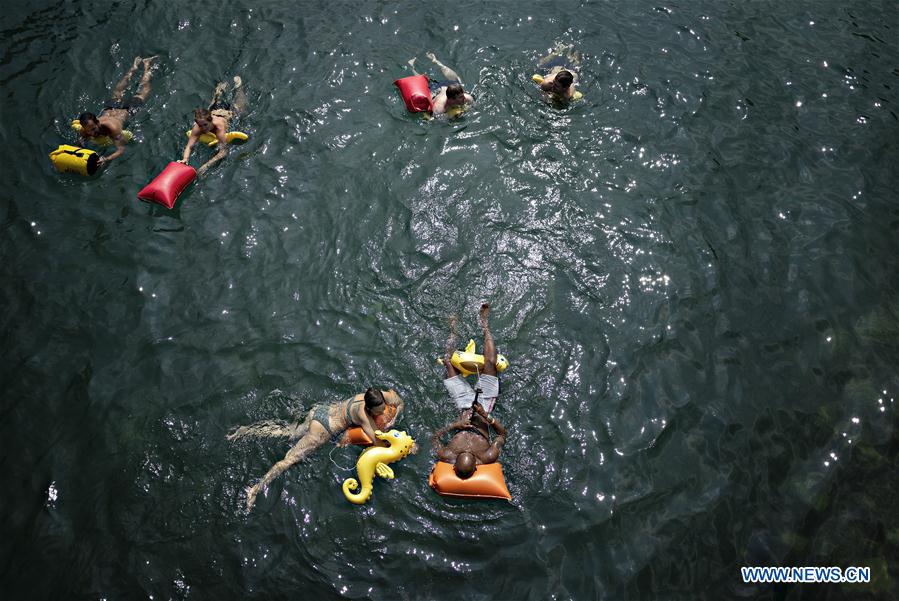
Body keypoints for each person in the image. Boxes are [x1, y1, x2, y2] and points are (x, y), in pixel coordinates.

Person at [228, 388, 403, 511]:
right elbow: (378, 442)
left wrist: (394, 414)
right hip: (323, 430)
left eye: (383, 409)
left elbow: (398, 400)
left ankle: (247, 431)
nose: (381, 413)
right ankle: (255, 489)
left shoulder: (377, 396)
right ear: (369, 408)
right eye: (378, 412)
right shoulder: (364, 415)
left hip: (321, 411)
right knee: (289, 460)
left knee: (288, 432)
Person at [76, 55, 157, 166]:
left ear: (98, 122)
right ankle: (133, 68)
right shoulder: (84, 130)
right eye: (89, 130)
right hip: (110, 108)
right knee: (118, 90)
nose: (92, 133)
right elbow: (80, 141)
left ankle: (147, 65)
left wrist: (106, 159)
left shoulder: (112, 129)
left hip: (128, 110)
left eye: (94, 129)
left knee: (144, 90)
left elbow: (120, 149)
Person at [180, 76, 246, 177]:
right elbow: (189, 146)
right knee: (213, 102)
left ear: (211, 121)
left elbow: (223, 152)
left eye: (205, 125)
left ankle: (238, 86)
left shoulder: (219, 127)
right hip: (214, 111)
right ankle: (220, 87)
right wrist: (185, 159)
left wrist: (206, 166)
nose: (203, 129)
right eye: (200, 125)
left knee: (241, 108)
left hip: (228, 114)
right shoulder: (199, 126)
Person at [442, 303, 501, 413]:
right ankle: (485, 326)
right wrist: (485, 416)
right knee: (490, 362)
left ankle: (453, 331)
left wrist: (456, 425)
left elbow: (438, 432)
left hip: (464, 405)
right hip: (484, 405)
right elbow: (503, 431)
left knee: (447, 361)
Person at [432, 400, 507, 479]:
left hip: (462, 405)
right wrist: (484, 414)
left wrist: (455, 425)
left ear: (453, 465)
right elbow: (502, 434)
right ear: (476, 467)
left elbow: (434, 437)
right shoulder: (488, 456)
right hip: (483, 406)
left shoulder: (447, 454)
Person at [407, 52, 474, 115]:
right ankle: (411, 66)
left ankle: (436, 61)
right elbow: (435, 120)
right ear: (450, 99)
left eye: (462, 95)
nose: (464, 98)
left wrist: (465, 110)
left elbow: (472, 107)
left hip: (448, 87)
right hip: (436, 90)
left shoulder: (468, 98)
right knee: (425, 82)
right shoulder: (439, 108)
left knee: (457, 80)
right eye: (460, 97)